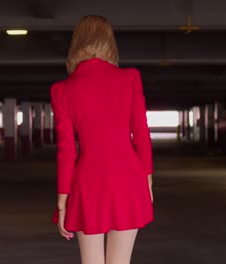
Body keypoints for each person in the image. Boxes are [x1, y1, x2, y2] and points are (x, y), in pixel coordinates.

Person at [50, 14, 154, 264]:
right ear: (109, 42)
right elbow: (141, 134)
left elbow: (66, 151)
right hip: (129, 178)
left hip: (88, 181)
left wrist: (62, 202)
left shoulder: (62, 90)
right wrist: (148, 180)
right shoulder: (130, 78)